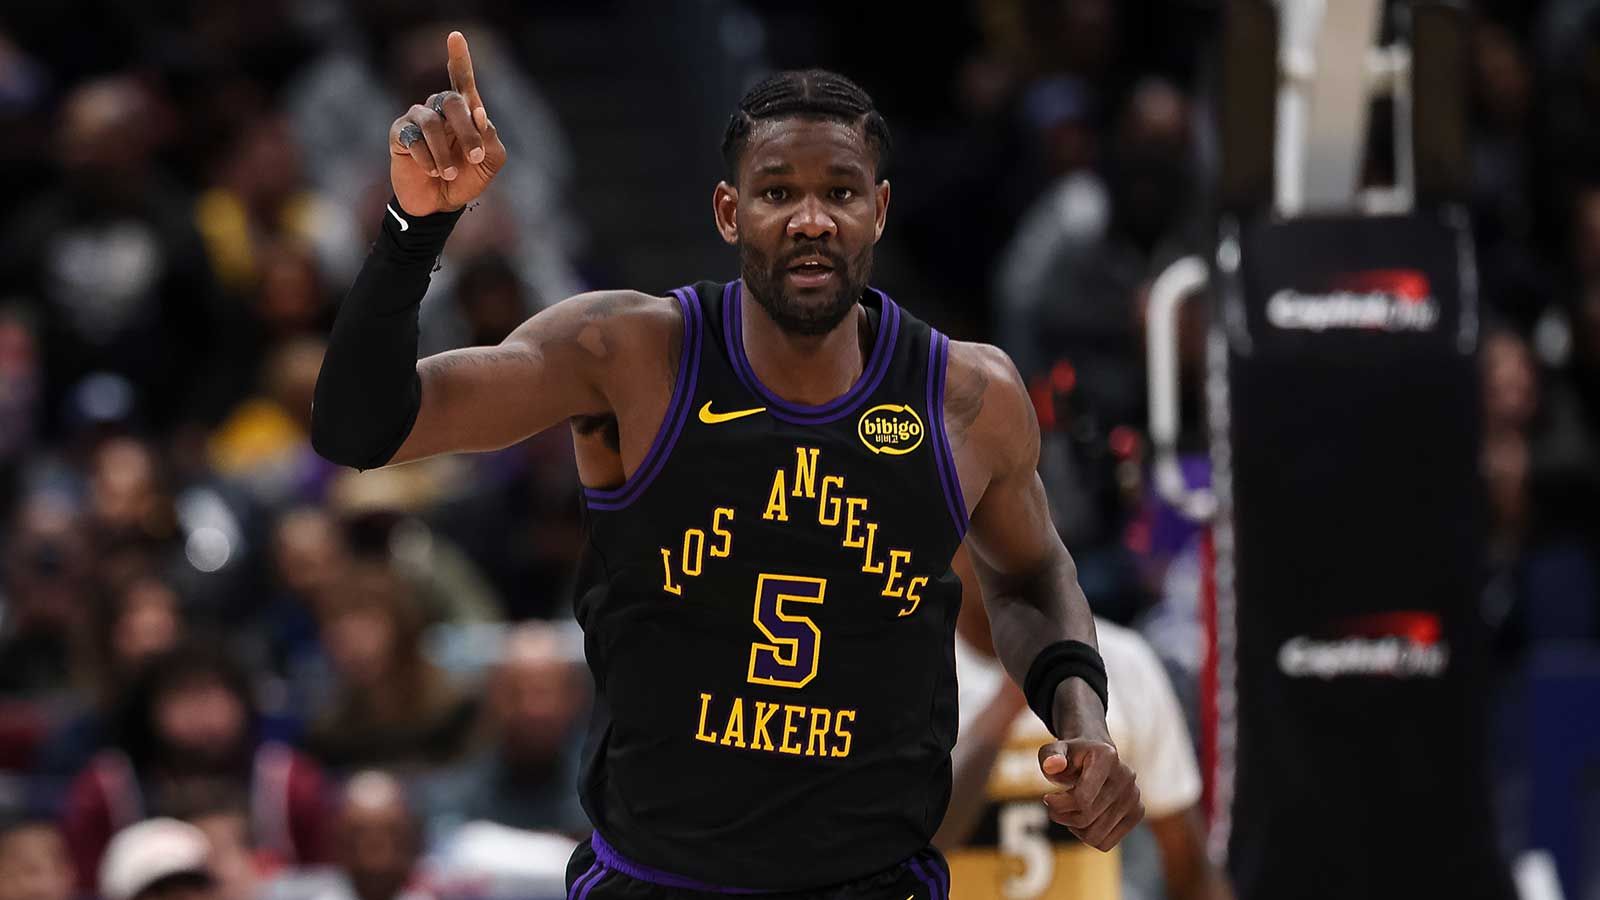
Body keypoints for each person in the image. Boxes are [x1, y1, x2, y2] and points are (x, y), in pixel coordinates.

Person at [311, 32, 1141, 896]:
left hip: (872, 881)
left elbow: (1031, 573)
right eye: (777, 191)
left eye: (840, 191)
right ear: (727, 211)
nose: (811, 219)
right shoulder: (629, 353)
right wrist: (414, 228)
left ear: (880, 210)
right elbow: (358, 429)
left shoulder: (968, 396)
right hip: (656, 880)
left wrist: (1082, 716)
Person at [936, 552, 1232, 899]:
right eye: (984, 534)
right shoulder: (916, 670)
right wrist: (1006, 704)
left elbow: (1190, 865)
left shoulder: (1123, 661)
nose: (1004, 551)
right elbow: (911, 845)